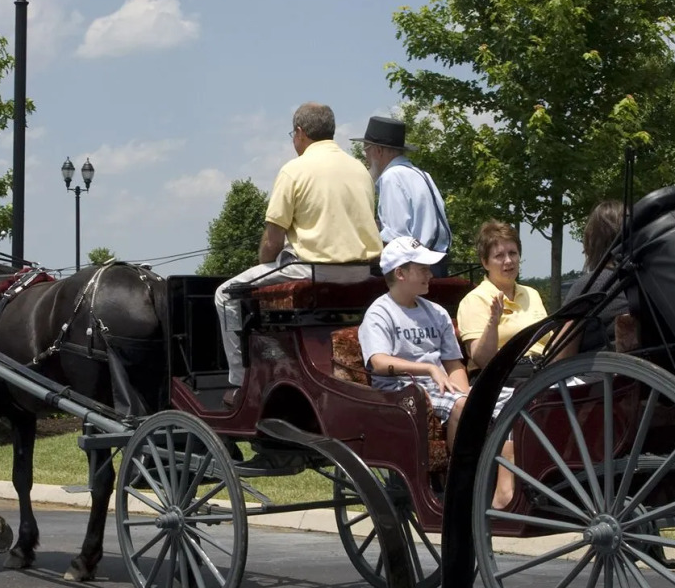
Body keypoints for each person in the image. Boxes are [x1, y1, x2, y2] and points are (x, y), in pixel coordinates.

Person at [214, 102, 381, 392]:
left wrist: (262, 265)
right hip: (362, 273)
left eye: (292, 134)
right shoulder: (360, 169)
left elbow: (273, 240)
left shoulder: (294, 170)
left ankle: (240, 383)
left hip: (313, 271)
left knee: (226, 295)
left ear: (300, 133)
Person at [360, 236, 517, 506]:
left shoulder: (437, 313)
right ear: (400, 273)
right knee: (462, 405)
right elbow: (378, 362)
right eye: (422, 269)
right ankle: (463, 482)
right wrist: (428, 370)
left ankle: (506, 486)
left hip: (441, 387)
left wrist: (469, 393)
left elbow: (454, 363)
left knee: (515, 400)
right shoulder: (379, 313)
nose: (430, 274)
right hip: (403, 391)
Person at [354, 114, 452, 274]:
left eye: (366, 151)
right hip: (439, 263)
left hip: (416, 266)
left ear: (378, 150)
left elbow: (396, 237)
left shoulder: (392, 177)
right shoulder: (422, 174)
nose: (366, 159)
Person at [455, 220, 549, 369]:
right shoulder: (474, 300)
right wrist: (493, 322)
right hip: (502, 377)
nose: (508, 261)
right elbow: (483, 360)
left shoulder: (532, 294)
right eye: (499, 256)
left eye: (513, 253)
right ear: (485, 263)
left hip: (543, 371)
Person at [558, 200, 636, 354]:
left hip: (599, 374)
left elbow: (560, 355)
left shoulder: (589, 286)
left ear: (592, 241)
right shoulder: (644, 282)